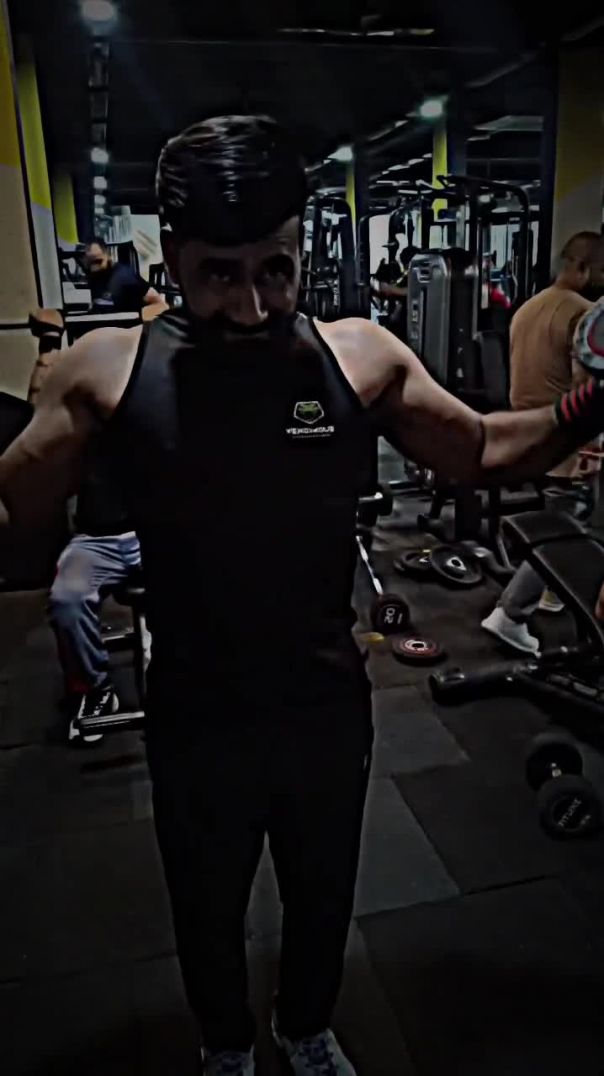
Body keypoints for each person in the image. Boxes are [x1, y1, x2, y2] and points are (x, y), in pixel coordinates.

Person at [2, 116, 604, 1076]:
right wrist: (56, 438)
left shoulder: (358, 357)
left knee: (324, 890)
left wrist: (592, 401)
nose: (250, 306)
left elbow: (485, 449)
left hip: (323, 698)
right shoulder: (107, 372)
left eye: (274, 270)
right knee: (204, 900)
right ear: (174, 254)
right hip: (195, 708)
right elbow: (19, 515)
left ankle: (306, 1028)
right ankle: (226, 1048)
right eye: (219, 274)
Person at [482, 232, 604, 654]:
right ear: (581, 267)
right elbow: (586, 390)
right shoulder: (584, 313)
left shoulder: (526, 308)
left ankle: (554, 593)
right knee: (570, 527)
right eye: (601, 270)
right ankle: (510, 612)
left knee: (557, 521)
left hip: (530, 436)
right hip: (568, 442)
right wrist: (591, 448)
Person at [84, 237, 163, 313]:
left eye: (98, 261)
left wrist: (141, 319)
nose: (94, 267)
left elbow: (158, 303)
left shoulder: (125, 276)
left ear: (107, 256)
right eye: (90, 263)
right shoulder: (93, 278)